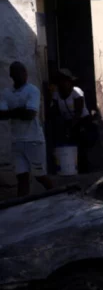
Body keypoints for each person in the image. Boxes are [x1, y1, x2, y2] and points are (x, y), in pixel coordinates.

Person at [0, 62, 53, 196]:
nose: (23, 75)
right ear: (11, 75)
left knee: (39, 175)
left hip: (33, 141)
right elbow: (2, 115)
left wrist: (12, 112)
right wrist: (19, 111)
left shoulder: (32, 90)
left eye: (23, 72)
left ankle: (59, 196)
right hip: (16, 141)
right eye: (18, 72)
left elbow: (30, 114)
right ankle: (22, 208)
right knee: (21, 177)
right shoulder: (6, 93)